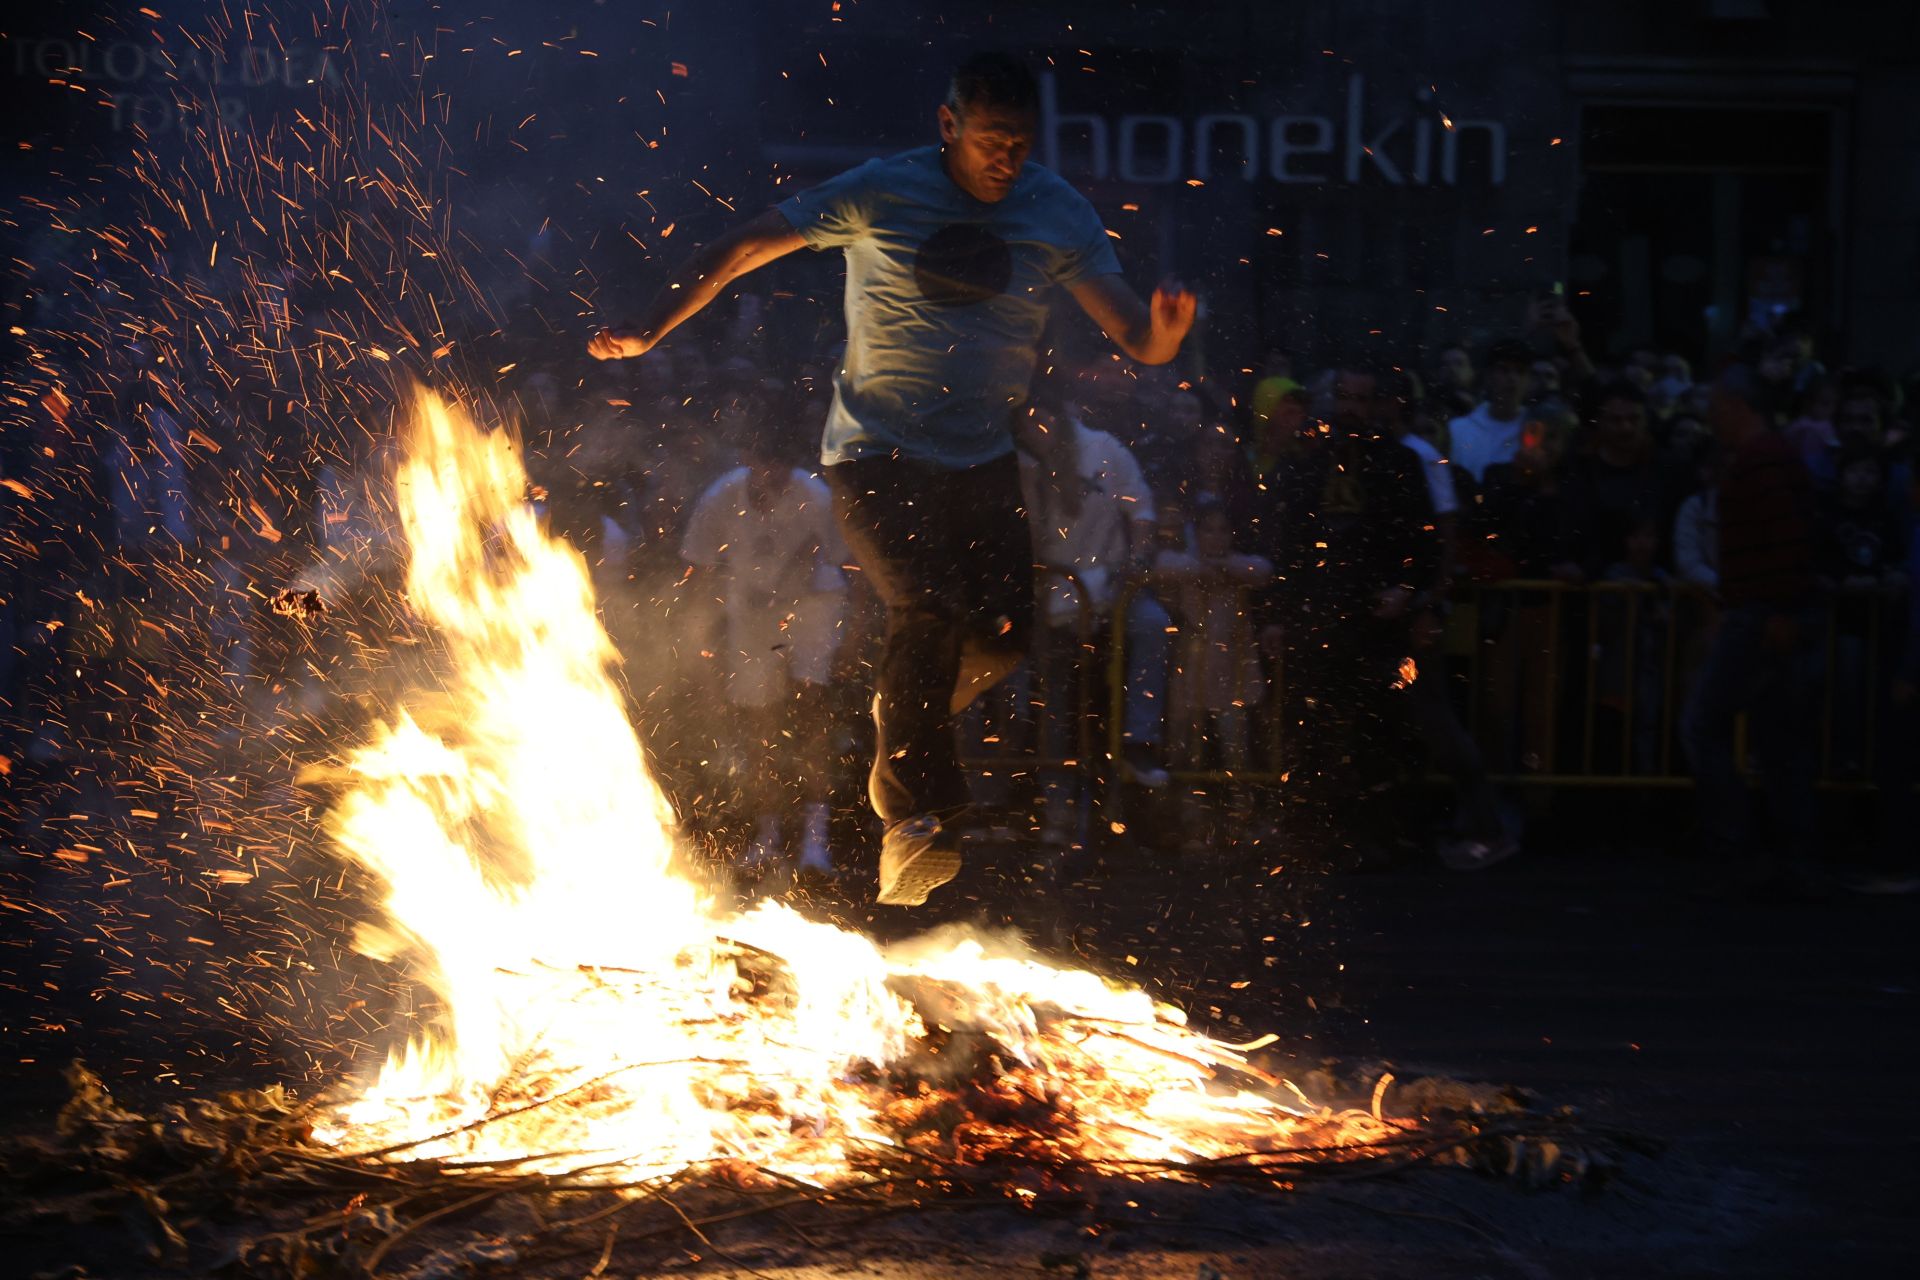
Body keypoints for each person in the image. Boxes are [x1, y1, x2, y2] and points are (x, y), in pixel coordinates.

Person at [589, 52, 1197, 905]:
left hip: (982, 456)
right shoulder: (882, 190)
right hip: (875, 452)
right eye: (991, 141)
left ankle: (898, 720)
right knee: (929, 608)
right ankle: (912, 813)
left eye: (1020, 144)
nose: (1006, 161)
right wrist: (653, 327)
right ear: (949, 127)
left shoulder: (1055, 211)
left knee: (1004, 634)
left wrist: (1167, 333)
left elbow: (1138, 339)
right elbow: (740, 247)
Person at [679, 395, 849, 876]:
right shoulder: (722, 497)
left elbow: (837, 562)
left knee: (812, 714)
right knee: (760, 724)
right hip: (750, 614)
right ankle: (766, 836)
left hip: (813, 607)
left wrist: (843, 632)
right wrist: (699, 636)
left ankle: (816, 843)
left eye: (781, 464)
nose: (771, 473)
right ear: (749, 460)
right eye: (763, 461)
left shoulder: (814, 497)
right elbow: (701, 568)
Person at [1681, 371, 1825, 898]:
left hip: (1763, 613)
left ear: (1736, 406)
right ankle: (1787, 853)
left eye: (1716, 406)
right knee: (1777, 738)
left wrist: (1776, 609)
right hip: (1772, 611)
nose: (1710, 416)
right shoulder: (1773, 457)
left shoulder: (1760, 461)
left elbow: (1786, 543)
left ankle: (1739, 843)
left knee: (1708, 724)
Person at [1016, 398, 1172, 848]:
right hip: (1055, 598)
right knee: (1058, 701)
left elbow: (1140, 508)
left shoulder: (1102, 448)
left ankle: (1138, 744)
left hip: (1114, 588)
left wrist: (1139, 558)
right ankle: (1056, 804)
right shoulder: (1020, 465)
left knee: (1152, 624)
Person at [1446, 338, 1534, 492]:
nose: (1512, 378)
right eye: (1504, 370)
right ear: (1488, 376)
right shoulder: (1457, 430)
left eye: (1520, 371)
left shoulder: (1535, 429)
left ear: (1528, 380)